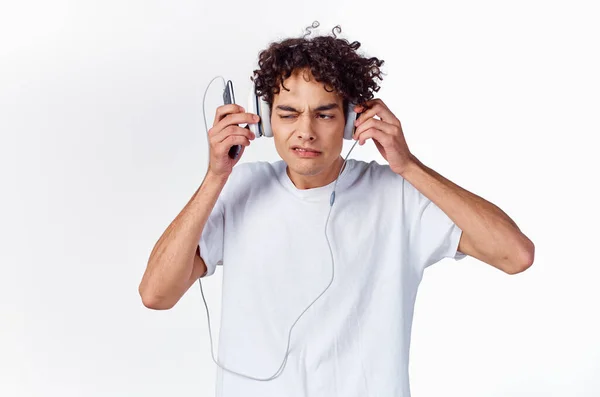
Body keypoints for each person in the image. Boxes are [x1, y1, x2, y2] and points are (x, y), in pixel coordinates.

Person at [138, 25, 535, 397]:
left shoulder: (397, 196)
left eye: (325, 113)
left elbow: (515, 255)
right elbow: (156, 294)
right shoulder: (239, 189)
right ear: (264, 120)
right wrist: (214, 177)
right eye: (288, 113)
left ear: (351, 120)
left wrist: (408, 166)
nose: (305, 131)